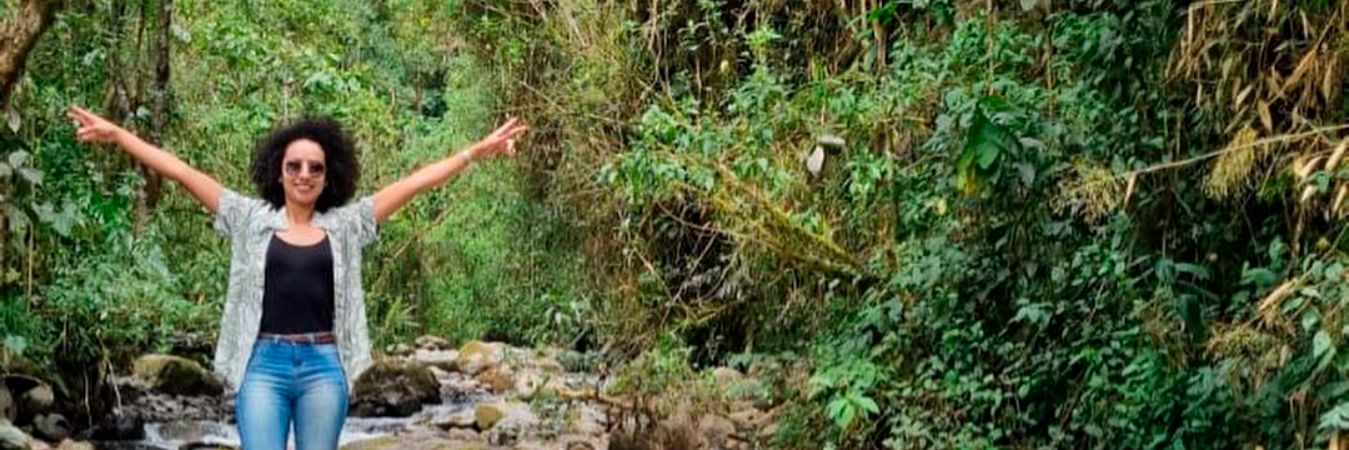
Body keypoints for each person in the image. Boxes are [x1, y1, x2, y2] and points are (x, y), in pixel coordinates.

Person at [66, 105, 527, 450]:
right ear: (279, 172)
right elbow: (181, 171)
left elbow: (413, 184)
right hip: (263, 365)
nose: (304, 174)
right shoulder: (249, 218)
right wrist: (118, 135)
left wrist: (475, 152)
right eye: (294, 166)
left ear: (329, 177)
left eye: (315, 168)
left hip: (324, 367)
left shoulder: (347, 225)